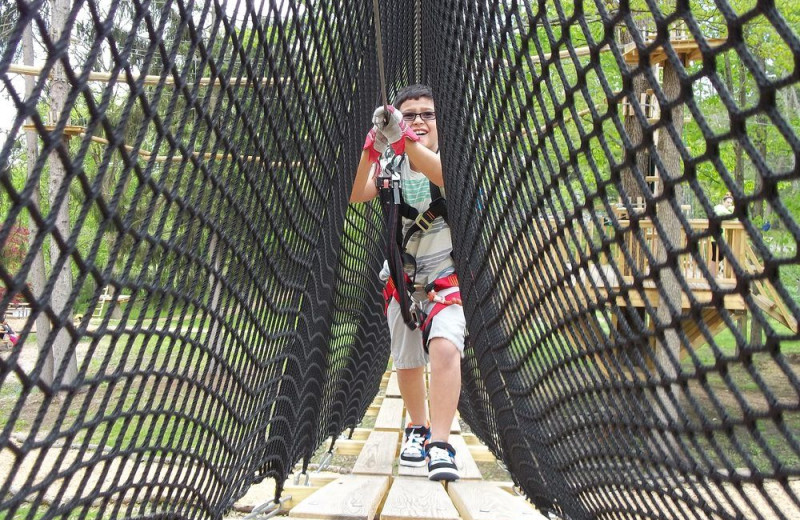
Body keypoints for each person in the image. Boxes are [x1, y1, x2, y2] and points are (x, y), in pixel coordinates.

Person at [350, 84, 464, 481]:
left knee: (445, 348)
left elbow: (443, 176)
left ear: (440, 123)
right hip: (401, 275)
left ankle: (441, 441)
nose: (418, 120)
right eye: (409, 114)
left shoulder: (453, 159)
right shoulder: (390, 165)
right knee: (408, 359)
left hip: (445, 273)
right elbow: (355, 194)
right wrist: (371, 150)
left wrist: (403, 139)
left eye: (427, 114)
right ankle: (418, 426)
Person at [710, 193, 734, 277]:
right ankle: (712, 275)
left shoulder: (725, 211)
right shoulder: (720, 209)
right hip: (715, 237)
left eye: (731, 203)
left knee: (719, 256)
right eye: (728, 202)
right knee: (716, 257)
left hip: (721, 237)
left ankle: (713, 274)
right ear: (723, 202)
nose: (729, 204)